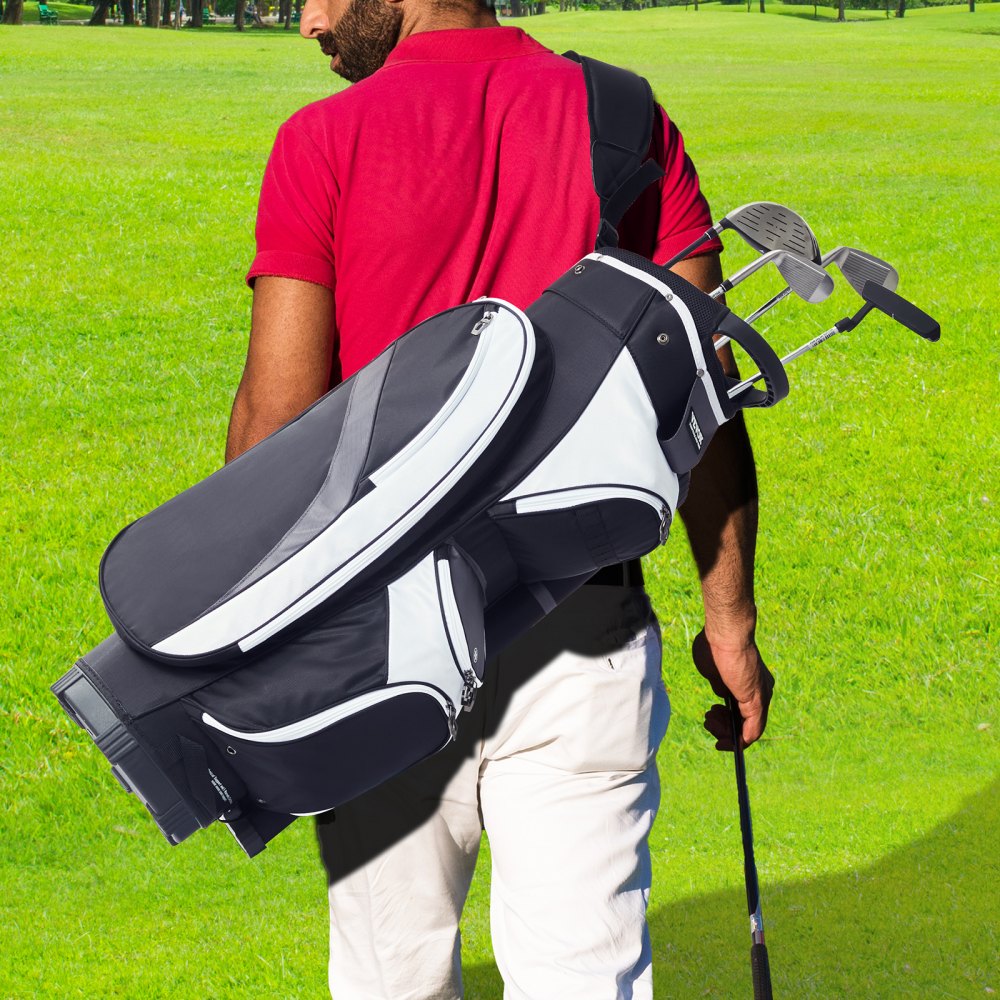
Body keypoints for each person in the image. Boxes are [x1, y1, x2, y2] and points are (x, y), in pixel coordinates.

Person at [225, 0, 774, 996]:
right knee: (585, 978)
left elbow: (277, 418)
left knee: (390, 980)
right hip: (583, 627)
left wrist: (246, 645)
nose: (307, 21)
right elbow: (701, 392)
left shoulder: (323, 140)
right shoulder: (625, 116)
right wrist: (728, 618)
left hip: (379, 644)